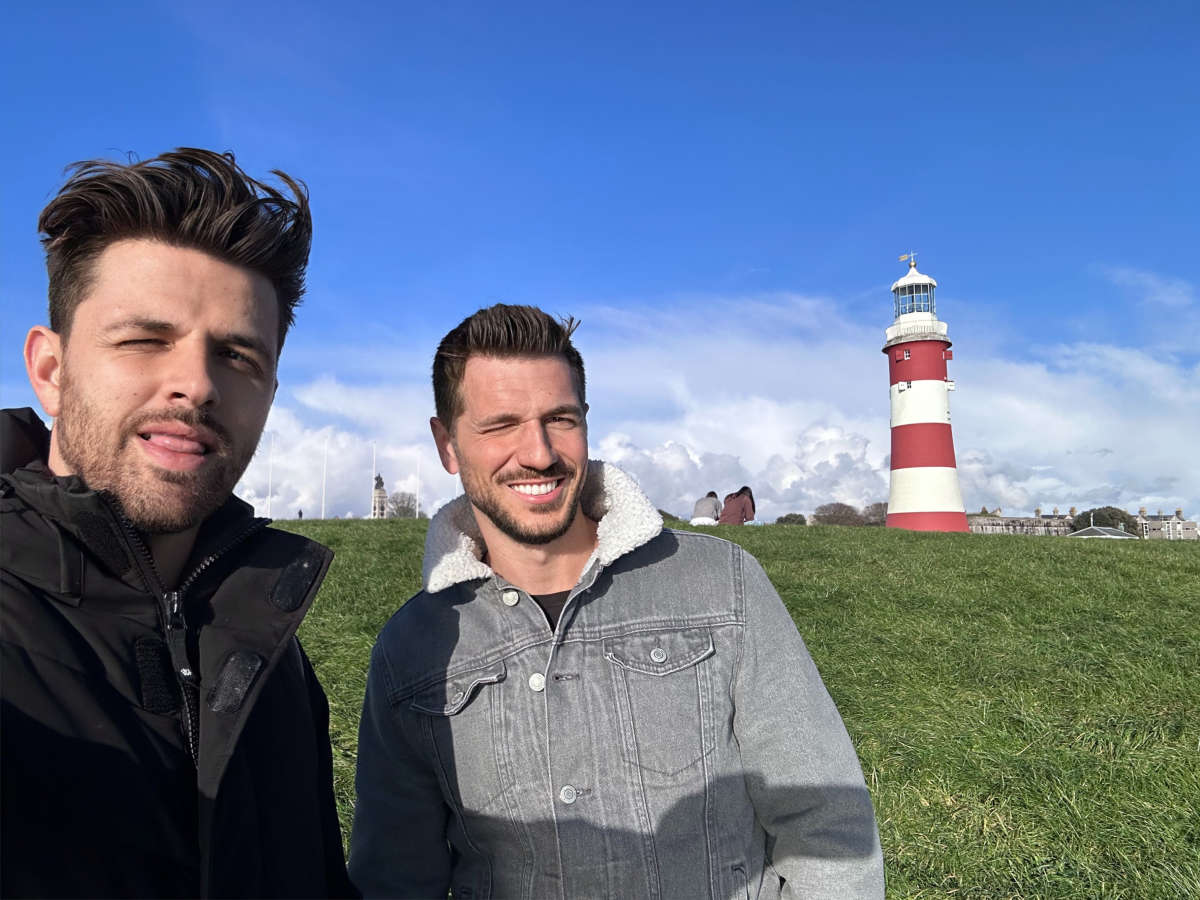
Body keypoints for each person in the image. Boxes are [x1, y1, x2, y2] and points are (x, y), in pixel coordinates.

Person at [349, 304, 883, 899]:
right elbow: (393, 881)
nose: (539, 452)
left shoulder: (724, 584)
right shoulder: (410, 649)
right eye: (500, 425)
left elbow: (828, 828)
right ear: (447, 444)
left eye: (560, 418)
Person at [1, 149, 355, 897]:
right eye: (143, 340)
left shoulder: (277, 660)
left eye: (236, 356)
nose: (195, 384)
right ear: (50, 369)